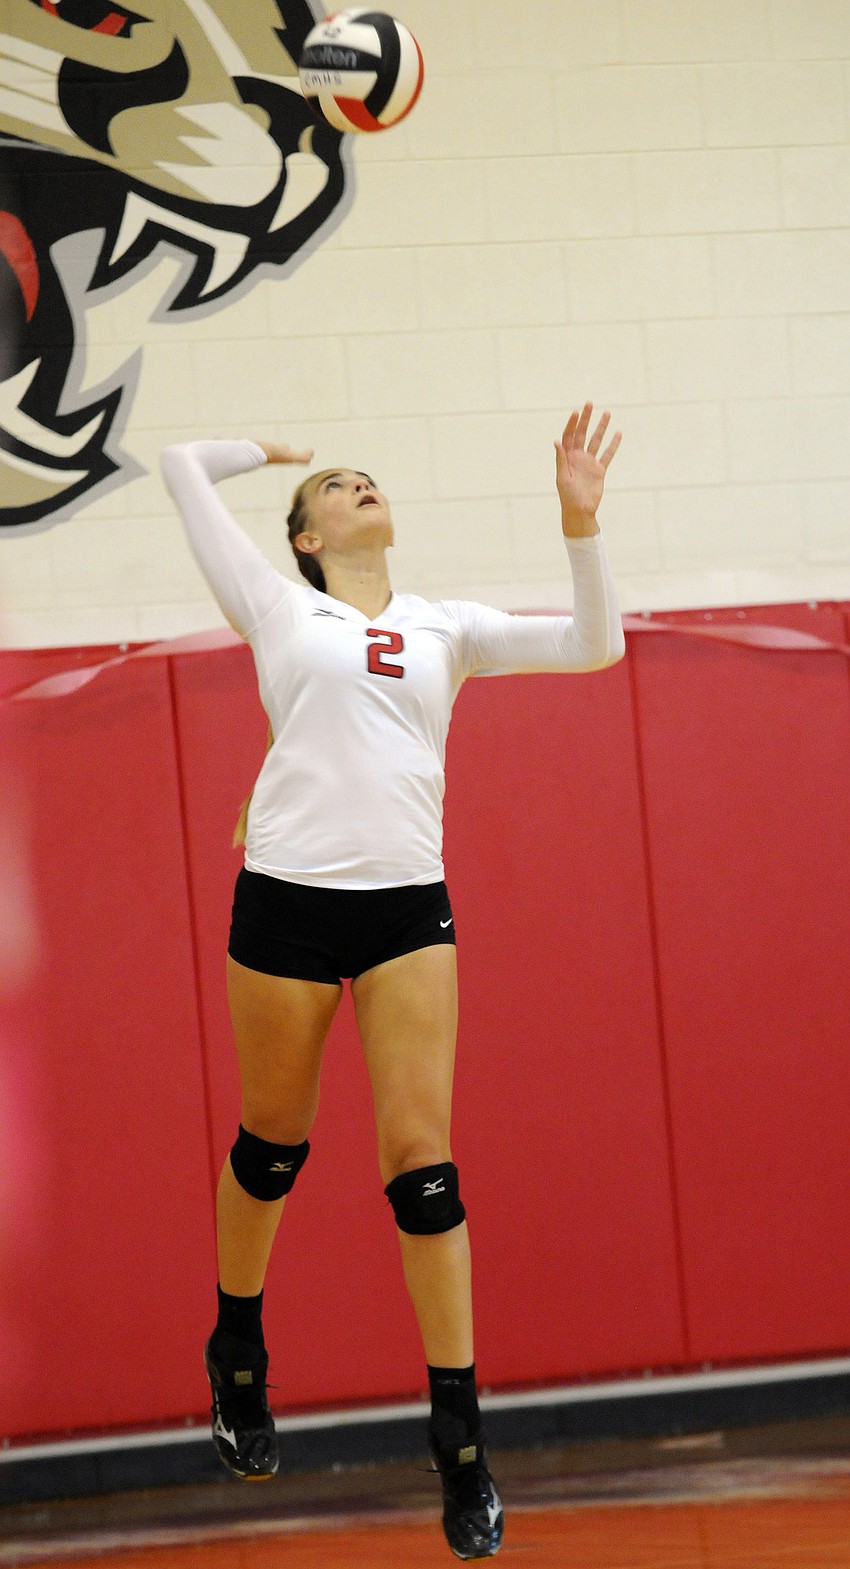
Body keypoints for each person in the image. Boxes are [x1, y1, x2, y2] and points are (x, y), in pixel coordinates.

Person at [160, 402, 625, 1561]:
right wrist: (276, 453)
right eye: (340, 486)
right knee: (273, 1145)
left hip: (406, 907)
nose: (360, 488)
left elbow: (592, 643)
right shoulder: (275, 602)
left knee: (425, 1175)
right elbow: (176, 464)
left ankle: (461, 1442)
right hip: (286, 903)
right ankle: (239, 1348)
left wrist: (579, 523)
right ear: (305, 536)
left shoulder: (441, 626)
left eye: (369, 480)